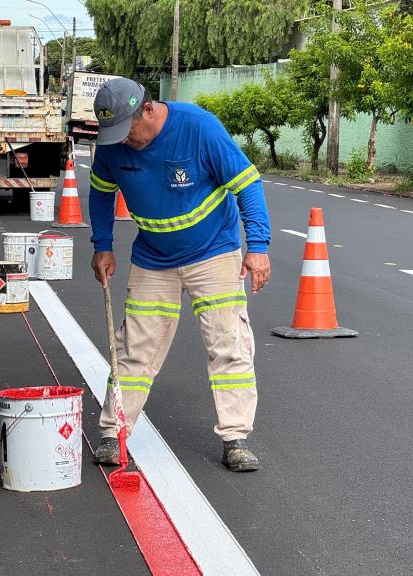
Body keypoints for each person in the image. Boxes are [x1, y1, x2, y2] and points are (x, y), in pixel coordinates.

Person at [87, 77, 270, 472]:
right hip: (153, 256)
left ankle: (235, 438)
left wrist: (257, 247)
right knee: (135, 347)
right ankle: (113, 434)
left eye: (127, 131)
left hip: (213, 253)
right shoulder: (112, 145)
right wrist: (102, 244)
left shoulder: (198, 128)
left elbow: (248, 184)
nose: (122, 141)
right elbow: (101, 192)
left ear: (148, 110)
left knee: (229, 343)